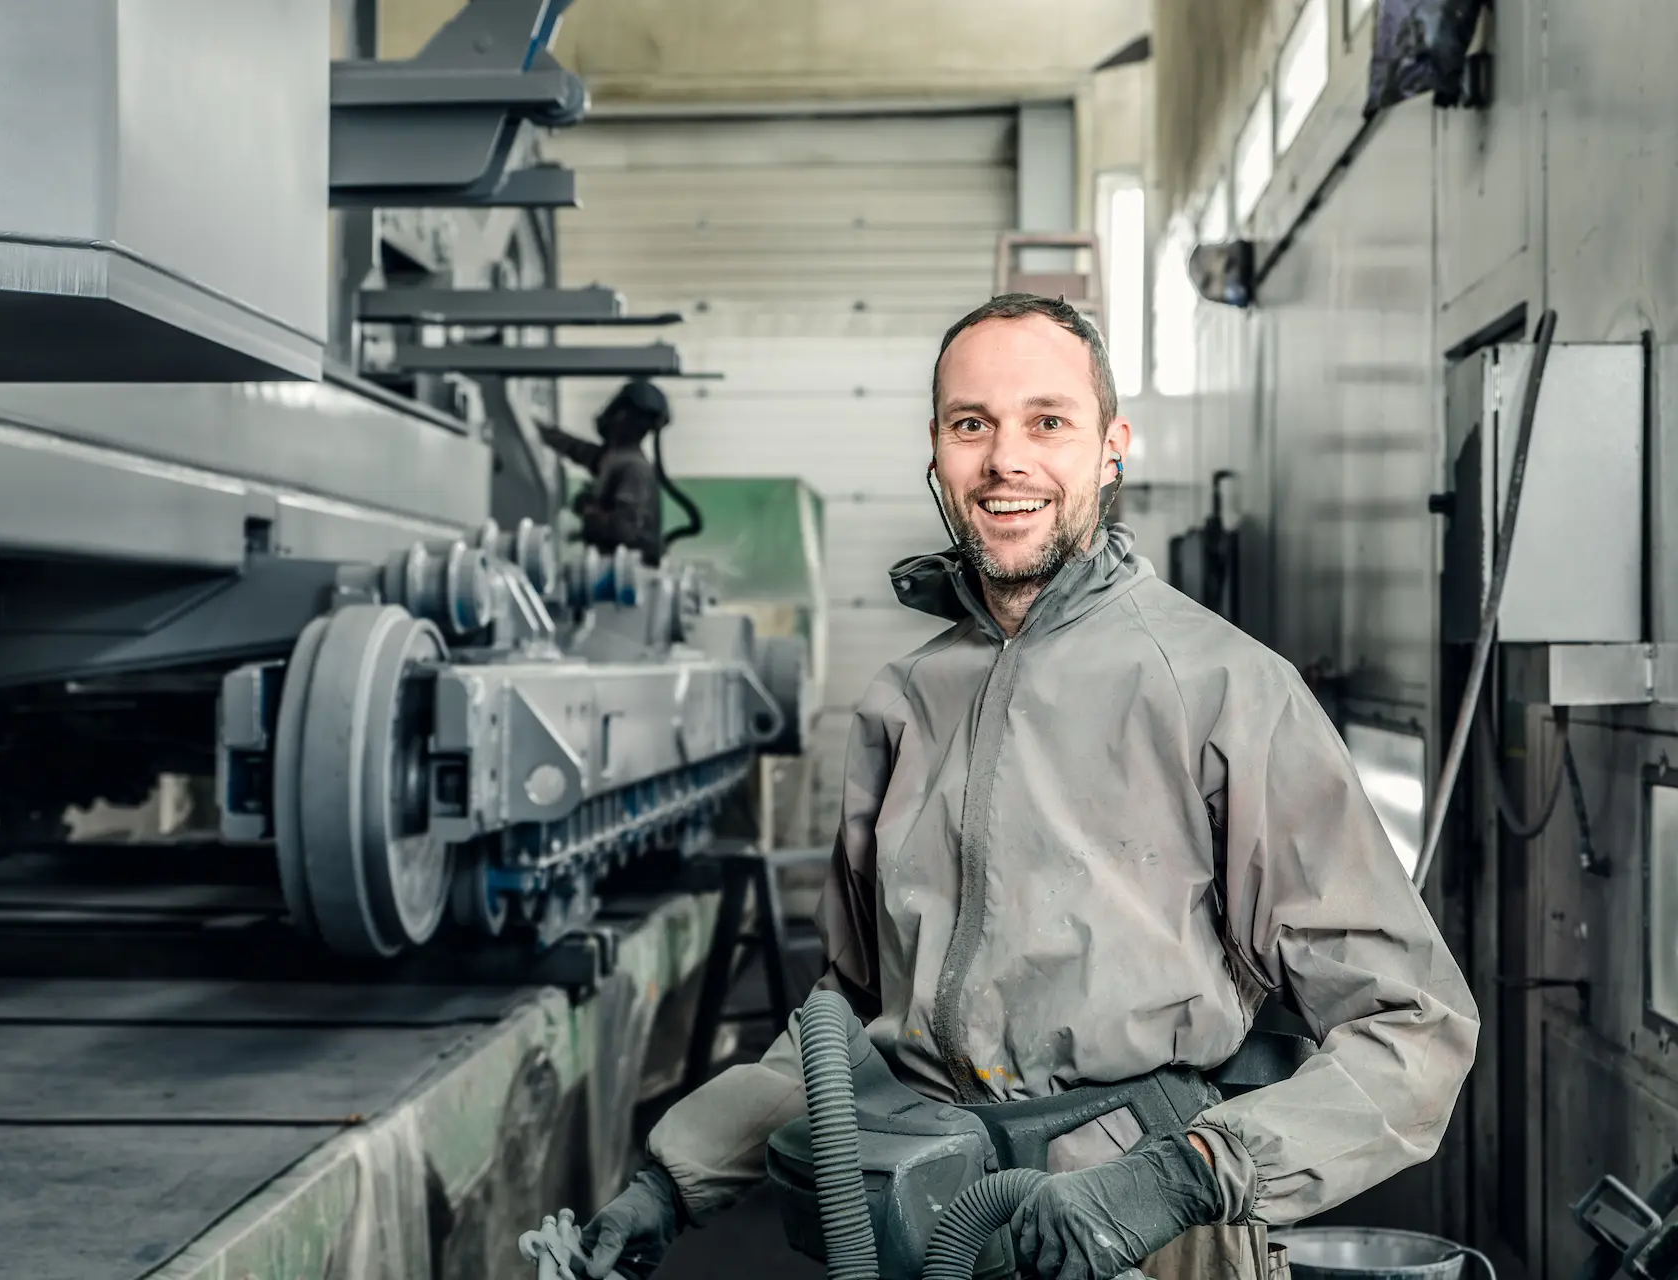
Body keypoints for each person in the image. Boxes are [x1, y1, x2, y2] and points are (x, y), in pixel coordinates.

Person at [577, 294, 1480, 1280]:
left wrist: (1184, 1177)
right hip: (928, 1227)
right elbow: (851, 1019)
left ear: (1110, 448)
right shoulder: (904, 702)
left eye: (1047, 420)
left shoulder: (1223, 689)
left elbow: (1413, 1028)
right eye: (974, 424)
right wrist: (675, 1174)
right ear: (937, 452)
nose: (1007, 459)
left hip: (1146, 1236)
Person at [538, 379, 670, 563]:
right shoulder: (614, 458)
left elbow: (624, 530)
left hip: (624, 576)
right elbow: (575, 448)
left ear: (622, 416)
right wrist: (537, 430)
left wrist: (587, 510)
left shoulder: (633, 468)